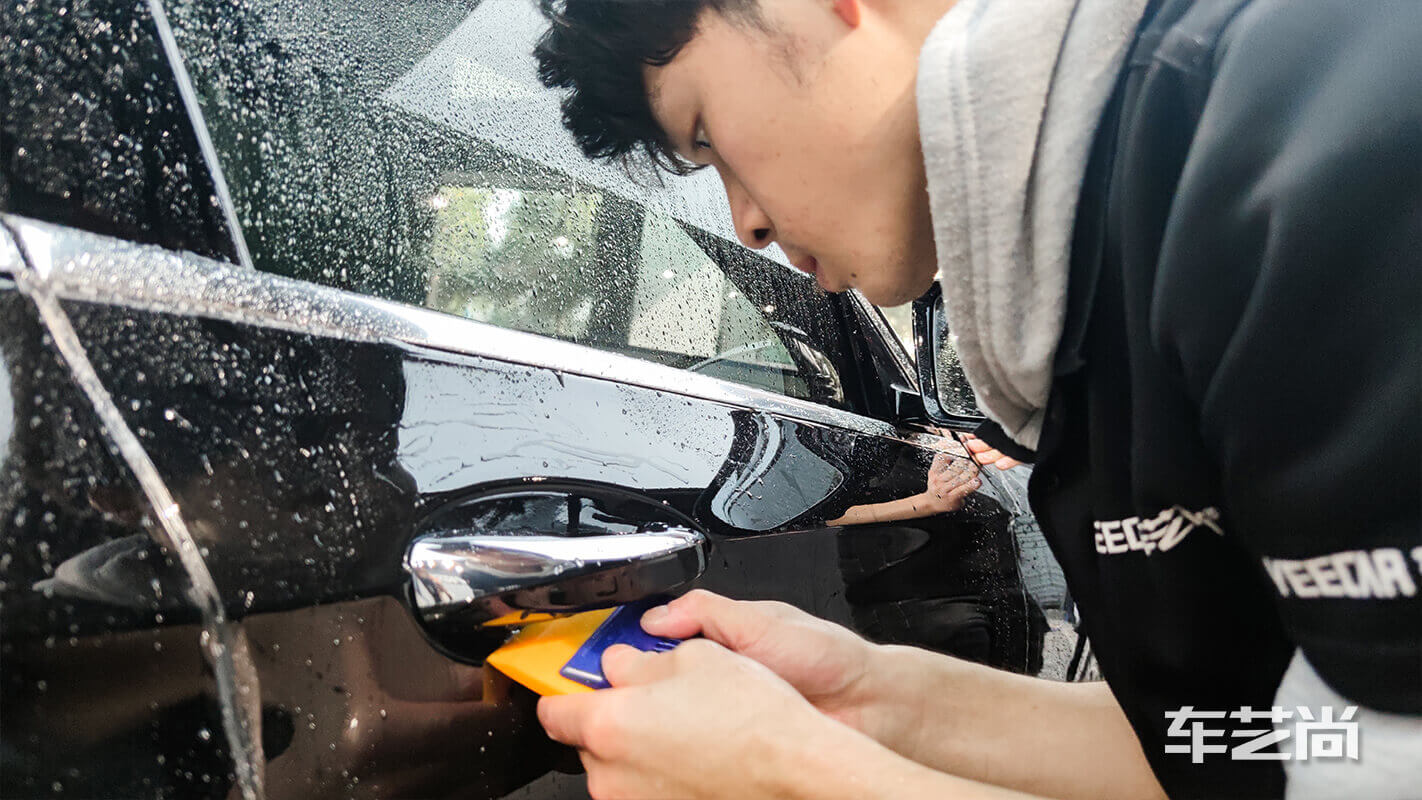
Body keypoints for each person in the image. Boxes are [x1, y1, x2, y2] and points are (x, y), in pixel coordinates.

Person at [529, 0, 1422, 797]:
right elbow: (1284, 742)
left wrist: (800, 779)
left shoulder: (1308, 145)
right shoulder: (1100, 273)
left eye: (708, 134)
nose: (747, 223)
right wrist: (873, 700)